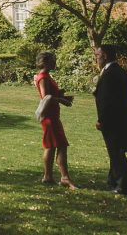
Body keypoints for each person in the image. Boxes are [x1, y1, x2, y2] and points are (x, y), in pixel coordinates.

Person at [94, 45, 127, 195]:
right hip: (120, 117)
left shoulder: (111, 73)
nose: (96, 58)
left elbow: (108, 101)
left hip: (113, 120)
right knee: (115, 152)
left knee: (116, 152)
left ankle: (122, 185)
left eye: (98, 55)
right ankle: (113, 180)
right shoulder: (120, 72)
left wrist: (102, 120)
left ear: (105, 55)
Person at [35, 51, 76, 188]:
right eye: (53, 60)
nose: (55, 62)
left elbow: (52, 95)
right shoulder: (43, 77)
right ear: (46, 62)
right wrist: (62, 100)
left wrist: (61, 95)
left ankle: (48, 177)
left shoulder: (47, 76)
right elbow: (46, 97)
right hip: (49, 117)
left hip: (53, 115)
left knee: (53, 146)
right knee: (58, 145)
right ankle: (63, 178)